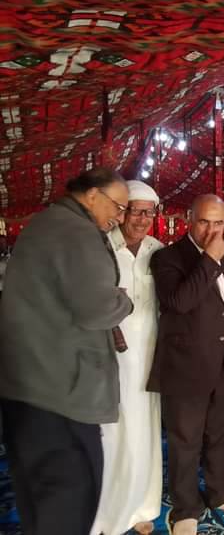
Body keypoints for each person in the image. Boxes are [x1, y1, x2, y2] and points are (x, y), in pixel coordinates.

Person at [0, 167, 133, 535]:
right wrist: (124, 301)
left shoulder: (48, 223)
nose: (120, 217)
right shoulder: (77, 233)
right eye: (118, 207)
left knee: (41, 504)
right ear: (92, 195)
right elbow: (97, 308)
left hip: (31, 386)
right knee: (68, 503)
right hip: (59, 394)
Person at [147, 194, 224, 535]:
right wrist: (209, 259)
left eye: (218, 223)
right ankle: (185, 508)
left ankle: (219, 492)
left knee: (222, 436)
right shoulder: (167, 258)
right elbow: (179, 302)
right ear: (188, 220)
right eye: (204, 222)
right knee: (185, 441)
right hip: (186, 366)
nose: (212, 231)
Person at [91, 180, 164, 535]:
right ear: (122, 212)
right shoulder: (100, 247)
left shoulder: (157, 250)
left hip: (149, 354)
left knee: (145, 430)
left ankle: (142, 506)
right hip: (110, 356)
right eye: (135, 211)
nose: (141, 219)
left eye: (148, 213)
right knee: (111, 432)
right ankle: (105, 514)